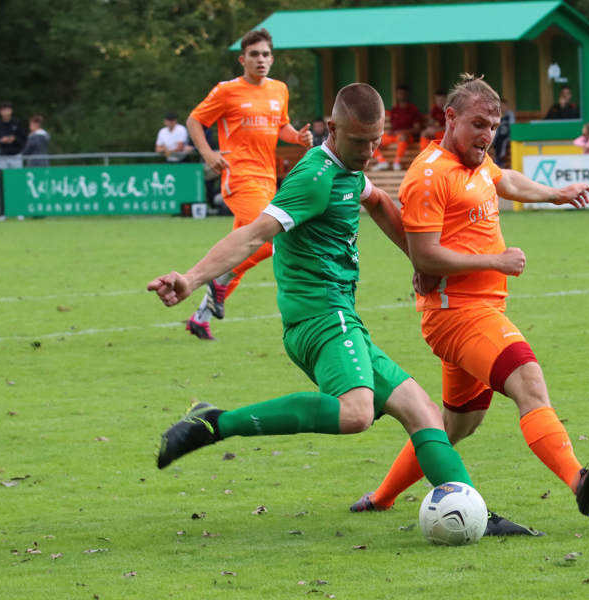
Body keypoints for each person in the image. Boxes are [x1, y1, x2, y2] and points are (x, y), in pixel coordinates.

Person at [150, 83, 537, 538]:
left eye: (376, 140)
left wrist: (419, 260)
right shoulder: (314, 178)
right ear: (331, 129)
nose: (370, 151)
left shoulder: (351, 168)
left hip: (341, 319)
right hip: (319, 319)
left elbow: (378, 201)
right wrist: (192, 278)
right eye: (359, 141)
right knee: (356, 413)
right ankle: (216, 423)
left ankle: (475, 513)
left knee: (424, 412)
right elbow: (254, 234)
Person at [349, 74, 589, 519]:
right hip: (459, 315)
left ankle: (380, 497)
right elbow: (425, 256)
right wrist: (496, 261)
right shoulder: (429, 176)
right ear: (450, 118)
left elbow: (504, 179)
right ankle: (578, 480)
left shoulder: (476, 164)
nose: (487, 135)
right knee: (528, 380)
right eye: (478, 124)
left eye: (494, 126)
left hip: (474, 310)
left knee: (454, 426)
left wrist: (554, 194)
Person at [183, 28, 313, 341]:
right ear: (243, 59)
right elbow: (194, 120)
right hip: (239, 177)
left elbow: (281, 125)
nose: (261, 59)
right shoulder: (227, 91)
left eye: (266, 54)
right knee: (271, 239)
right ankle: (218, 280)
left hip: (268, 180)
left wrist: (298, 137)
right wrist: (207, 153)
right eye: (254, 54)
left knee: (240, 248)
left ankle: (200, 318)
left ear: (272, 58)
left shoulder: (279, 89)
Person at [371, 84, 422, 171]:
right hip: (393, 135)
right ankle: (382, 161)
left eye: (403, 93)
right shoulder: (395, 109)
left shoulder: (412, 109)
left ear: (407, 94)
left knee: (403, 136)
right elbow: (393, 126)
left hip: (406, 135)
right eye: (399, 93)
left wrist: (401, 131)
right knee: (372, 140)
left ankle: (397, 162)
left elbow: (417, 129)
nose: (401, 95)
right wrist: (390, 131)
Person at [0, 101, 26, 168]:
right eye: (3, 110)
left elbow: (23, 139)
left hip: (16, 156)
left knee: (16, 176)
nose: (6, 113)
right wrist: (1, 141)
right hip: (2, 156)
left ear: (11, 111)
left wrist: (14, 139)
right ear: (0, 112)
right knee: (2, 176)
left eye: (7, 110)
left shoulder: (17, 123)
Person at [491, 98, 515, 168]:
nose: (502, 108)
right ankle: (497, 159)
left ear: (507, 106)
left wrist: (511, 136)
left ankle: (501, 159)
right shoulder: (498, 116)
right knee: (497, 141)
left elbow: (512, 125)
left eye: (503, 106)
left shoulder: (509, 115)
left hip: (508, 135)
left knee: (503, 142)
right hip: (500, 135)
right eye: (500, 106)